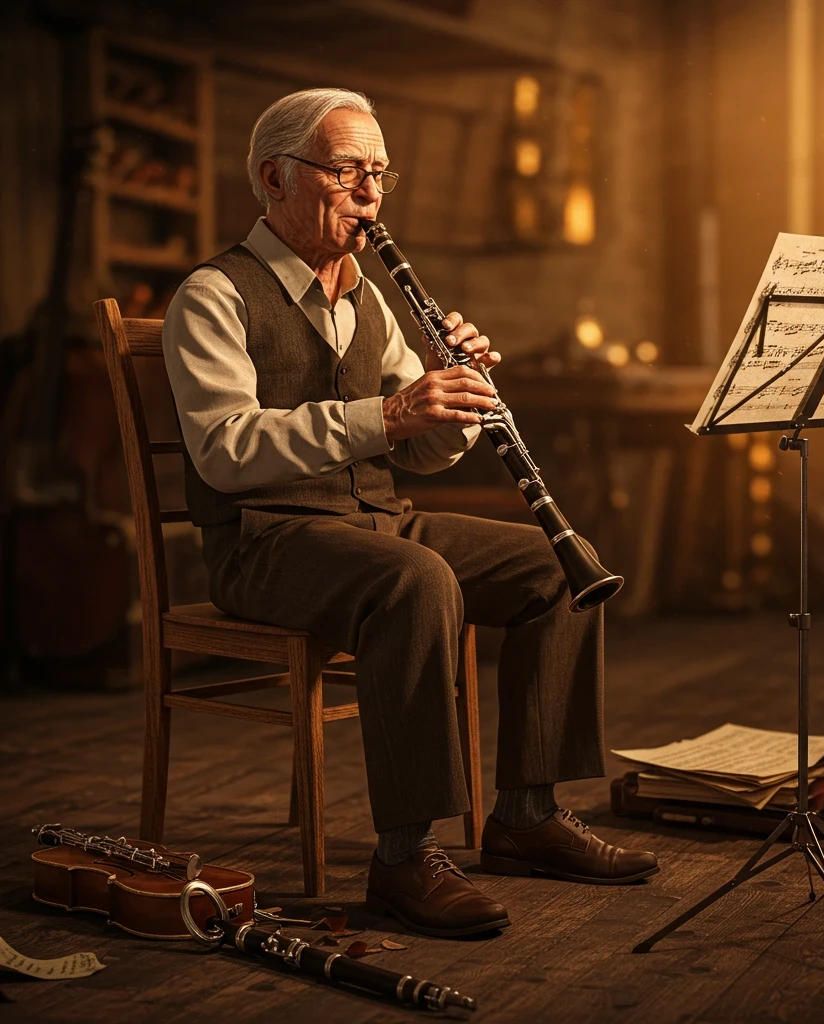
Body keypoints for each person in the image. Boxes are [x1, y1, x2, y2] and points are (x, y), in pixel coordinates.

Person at [162, 87, 657, 938]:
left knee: (553, 566)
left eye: (380, 173)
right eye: (347, 171)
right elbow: (225, 451)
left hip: (374, 525)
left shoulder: (368, 297)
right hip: (266, 540)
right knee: (416, 580)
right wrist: (390, 413)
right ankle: (404, 857)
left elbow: (420, 452)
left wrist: (454, 399)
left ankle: (528, 815)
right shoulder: (213, 295)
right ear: (275, 177)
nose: (370, 193)